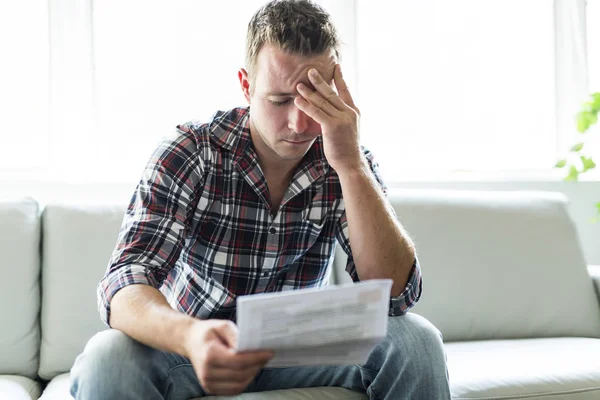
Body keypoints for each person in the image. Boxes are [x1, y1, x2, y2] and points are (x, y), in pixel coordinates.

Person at [70, 1, 451, 399]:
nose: (300, 124)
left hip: (299, 348)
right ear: (246, 85)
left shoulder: (345, 158)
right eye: (281, 100)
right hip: (193, 347)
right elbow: (125, 280)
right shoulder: (192, 151)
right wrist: (191, 336)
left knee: (416, 340)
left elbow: (394, 295)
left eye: (314, 99)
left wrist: (351, 165)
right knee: (108, 354)